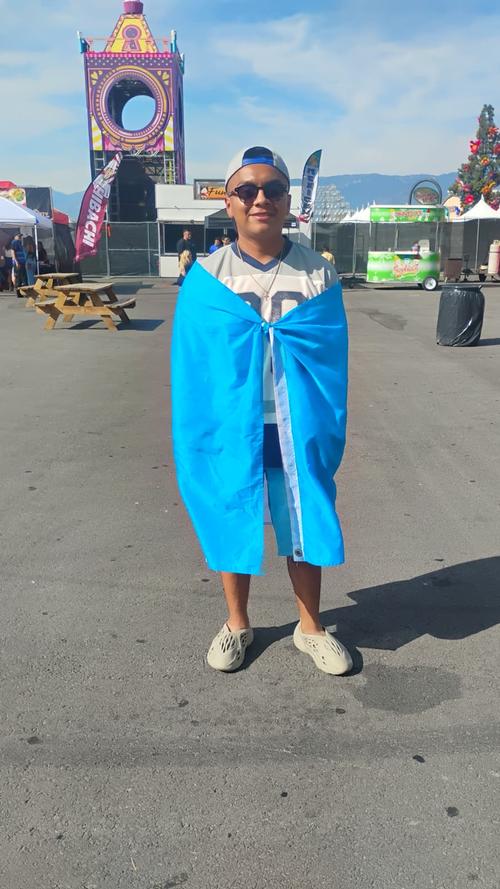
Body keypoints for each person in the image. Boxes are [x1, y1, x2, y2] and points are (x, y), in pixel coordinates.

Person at [172, 145, 352, 676]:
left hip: (298, 423)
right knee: (233, 511)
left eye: (272, 190)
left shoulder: (318, 273)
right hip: (234, 424)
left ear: (288, 200)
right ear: (227, 202)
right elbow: (194, 367)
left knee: (305, 519)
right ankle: (237, 623)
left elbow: (330, 357)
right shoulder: (207, 278)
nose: (259, 200)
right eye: (246, 190)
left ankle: (310, 628)